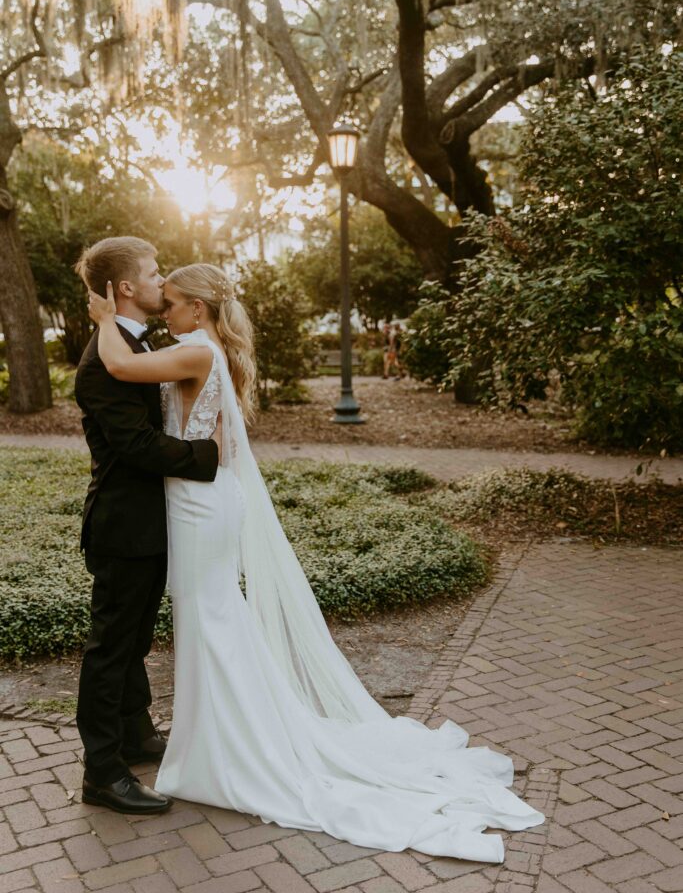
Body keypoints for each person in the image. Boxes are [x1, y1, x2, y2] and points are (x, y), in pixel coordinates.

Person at [86, 261, 544, 861]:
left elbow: (121, 365)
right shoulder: (202, 348)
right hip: (200, 502)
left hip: (199, 506)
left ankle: (229, 752)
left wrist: (101, 319)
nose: (165, 313)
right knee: (214, 621)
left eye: (172, 303)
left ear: (198, 310)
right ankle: (215, 738)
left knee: (212, 623)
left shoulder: (196, 352)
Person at [74, 237, 220, 816]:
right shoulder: (101, 365)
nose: (163, 283)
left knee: (134, 640)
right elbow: (134, 446)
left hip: (152, 523)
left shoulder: (139, 345)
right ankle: (102, 772)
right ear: (126, 288)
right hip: (123, 525)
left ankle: (134, 735)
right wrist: (206, 459)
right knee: (110, 648)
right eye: (155, 274)